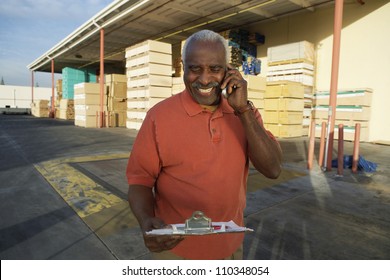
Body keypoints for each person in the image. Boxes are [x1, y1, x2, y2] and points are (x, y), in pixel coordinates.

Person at [126, 29, 282, 260]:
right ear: (183, 67)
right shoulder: (158, 117)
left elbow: (273, 169)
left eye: (215, 69)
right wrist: (146, 221)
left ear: (229, 70)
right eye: (195, 68)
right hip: (176, 250)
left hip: (229, 246)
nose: (205, 79)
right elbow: (140, 181)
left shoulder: (245, 113)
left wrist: (242, 110)